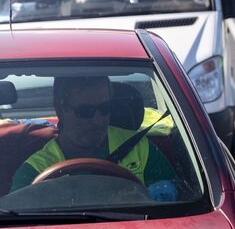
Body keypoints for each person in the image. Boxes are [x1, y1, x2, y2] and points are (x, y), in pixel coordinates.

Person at [11, 76, 177, 201]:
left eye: (105, 108)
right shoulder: (33, 171)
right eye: (85, 111)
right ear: (60, 110)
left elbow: (182, 198)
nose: (98, 120)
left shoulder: (139, 146)